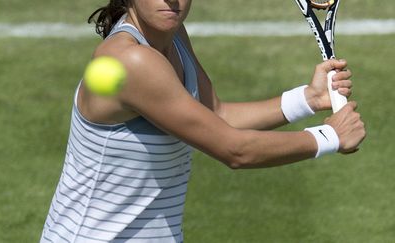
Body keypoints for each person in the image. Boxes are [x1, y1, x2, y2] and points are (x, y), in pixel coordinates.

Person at [40, 0, 366, 242]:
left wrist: (307, 99)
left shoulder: (173, 35)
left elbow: (217, 116)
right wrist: (330, 137)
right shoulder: (131, 60)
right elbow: (234, 150)